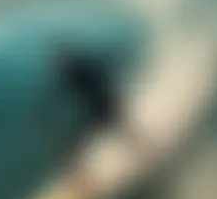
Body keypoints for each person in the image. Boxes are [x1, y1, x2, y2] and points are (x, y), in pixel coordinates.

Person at [48, 43, 145, 189]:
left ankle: (87, 183)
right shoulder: (72, 72)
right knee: (120, 132)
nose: (59, 65)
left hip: (103, 105)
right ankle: (86, 182)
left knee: (120, 131)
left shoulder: (79, 69)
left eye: (61, 61)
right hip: (99, 107)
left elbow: (99, 81)